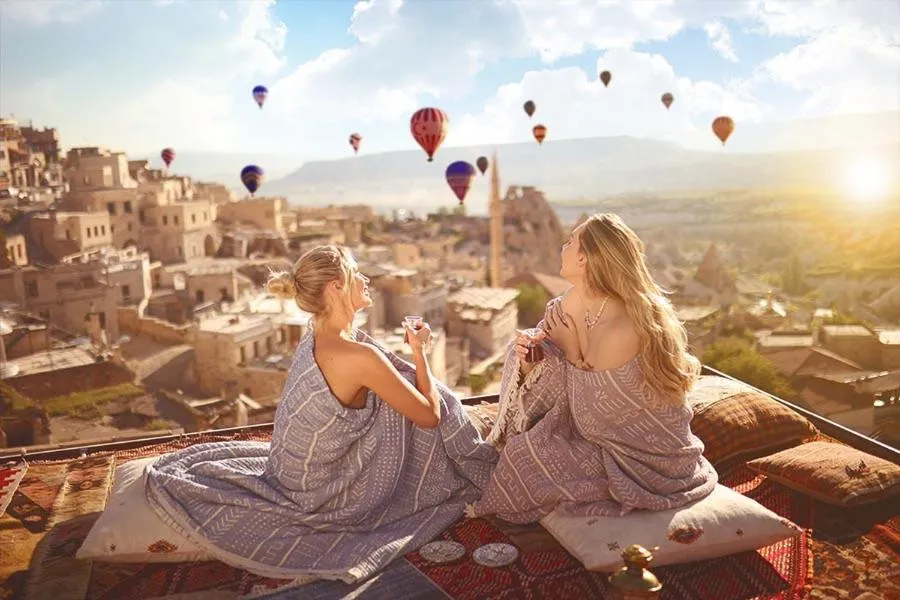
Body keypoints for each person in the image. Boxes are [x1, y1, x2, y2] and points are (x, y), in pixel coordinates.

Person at [145, 245, 497, 583]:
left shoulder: (315, 334)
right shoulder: (359, 356)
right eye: (357, 274)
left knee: (399, 391)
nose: (366, 280)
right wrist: (420, 352)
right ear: (336, 286)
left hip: (293, 474)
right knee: (418, 397)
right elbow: (429, 416)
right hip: (322, 494)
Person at [470, 213, 717, 524]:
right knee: (520, 451)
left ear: (585, 258)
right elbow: (548, 373)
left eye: (570, 242)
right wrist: (530, 359)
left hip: (638, 456)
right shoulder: (569, 302)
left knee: (525, 460)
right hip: (594, 432)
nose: (563, 246)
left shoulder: (623, 327)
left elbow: (593, 419)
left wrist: (571, 352)